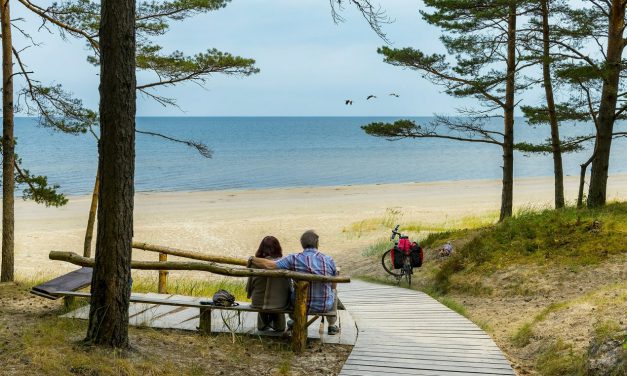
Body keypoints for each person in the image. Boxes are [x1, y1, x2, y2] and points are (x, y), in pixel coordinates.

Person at [248, 230, 339, 335]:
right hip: (323, 306)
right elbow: (333, 285)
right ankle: (331, 325)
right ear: (317, 243)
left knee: (293, 291)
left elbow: (270, 265)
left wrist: (252, 259)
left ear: (302, 243)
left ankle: (294, 320)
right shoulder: (328, 260)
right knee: (334, 291)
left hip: (298, 305)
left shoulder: (293, 258)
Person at [246, 236, 291, 331]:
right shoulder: (284, 264)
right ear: (278, 248)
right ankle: (278, 326)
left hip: (257, 302)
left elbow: (249, 287)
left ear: (261, 247)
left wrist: (250, 294)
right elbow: (289, 287)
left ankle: (263, 325)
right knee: (277, 303)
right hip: (279, 304)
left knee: (262, 300)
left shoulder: (254, 263)